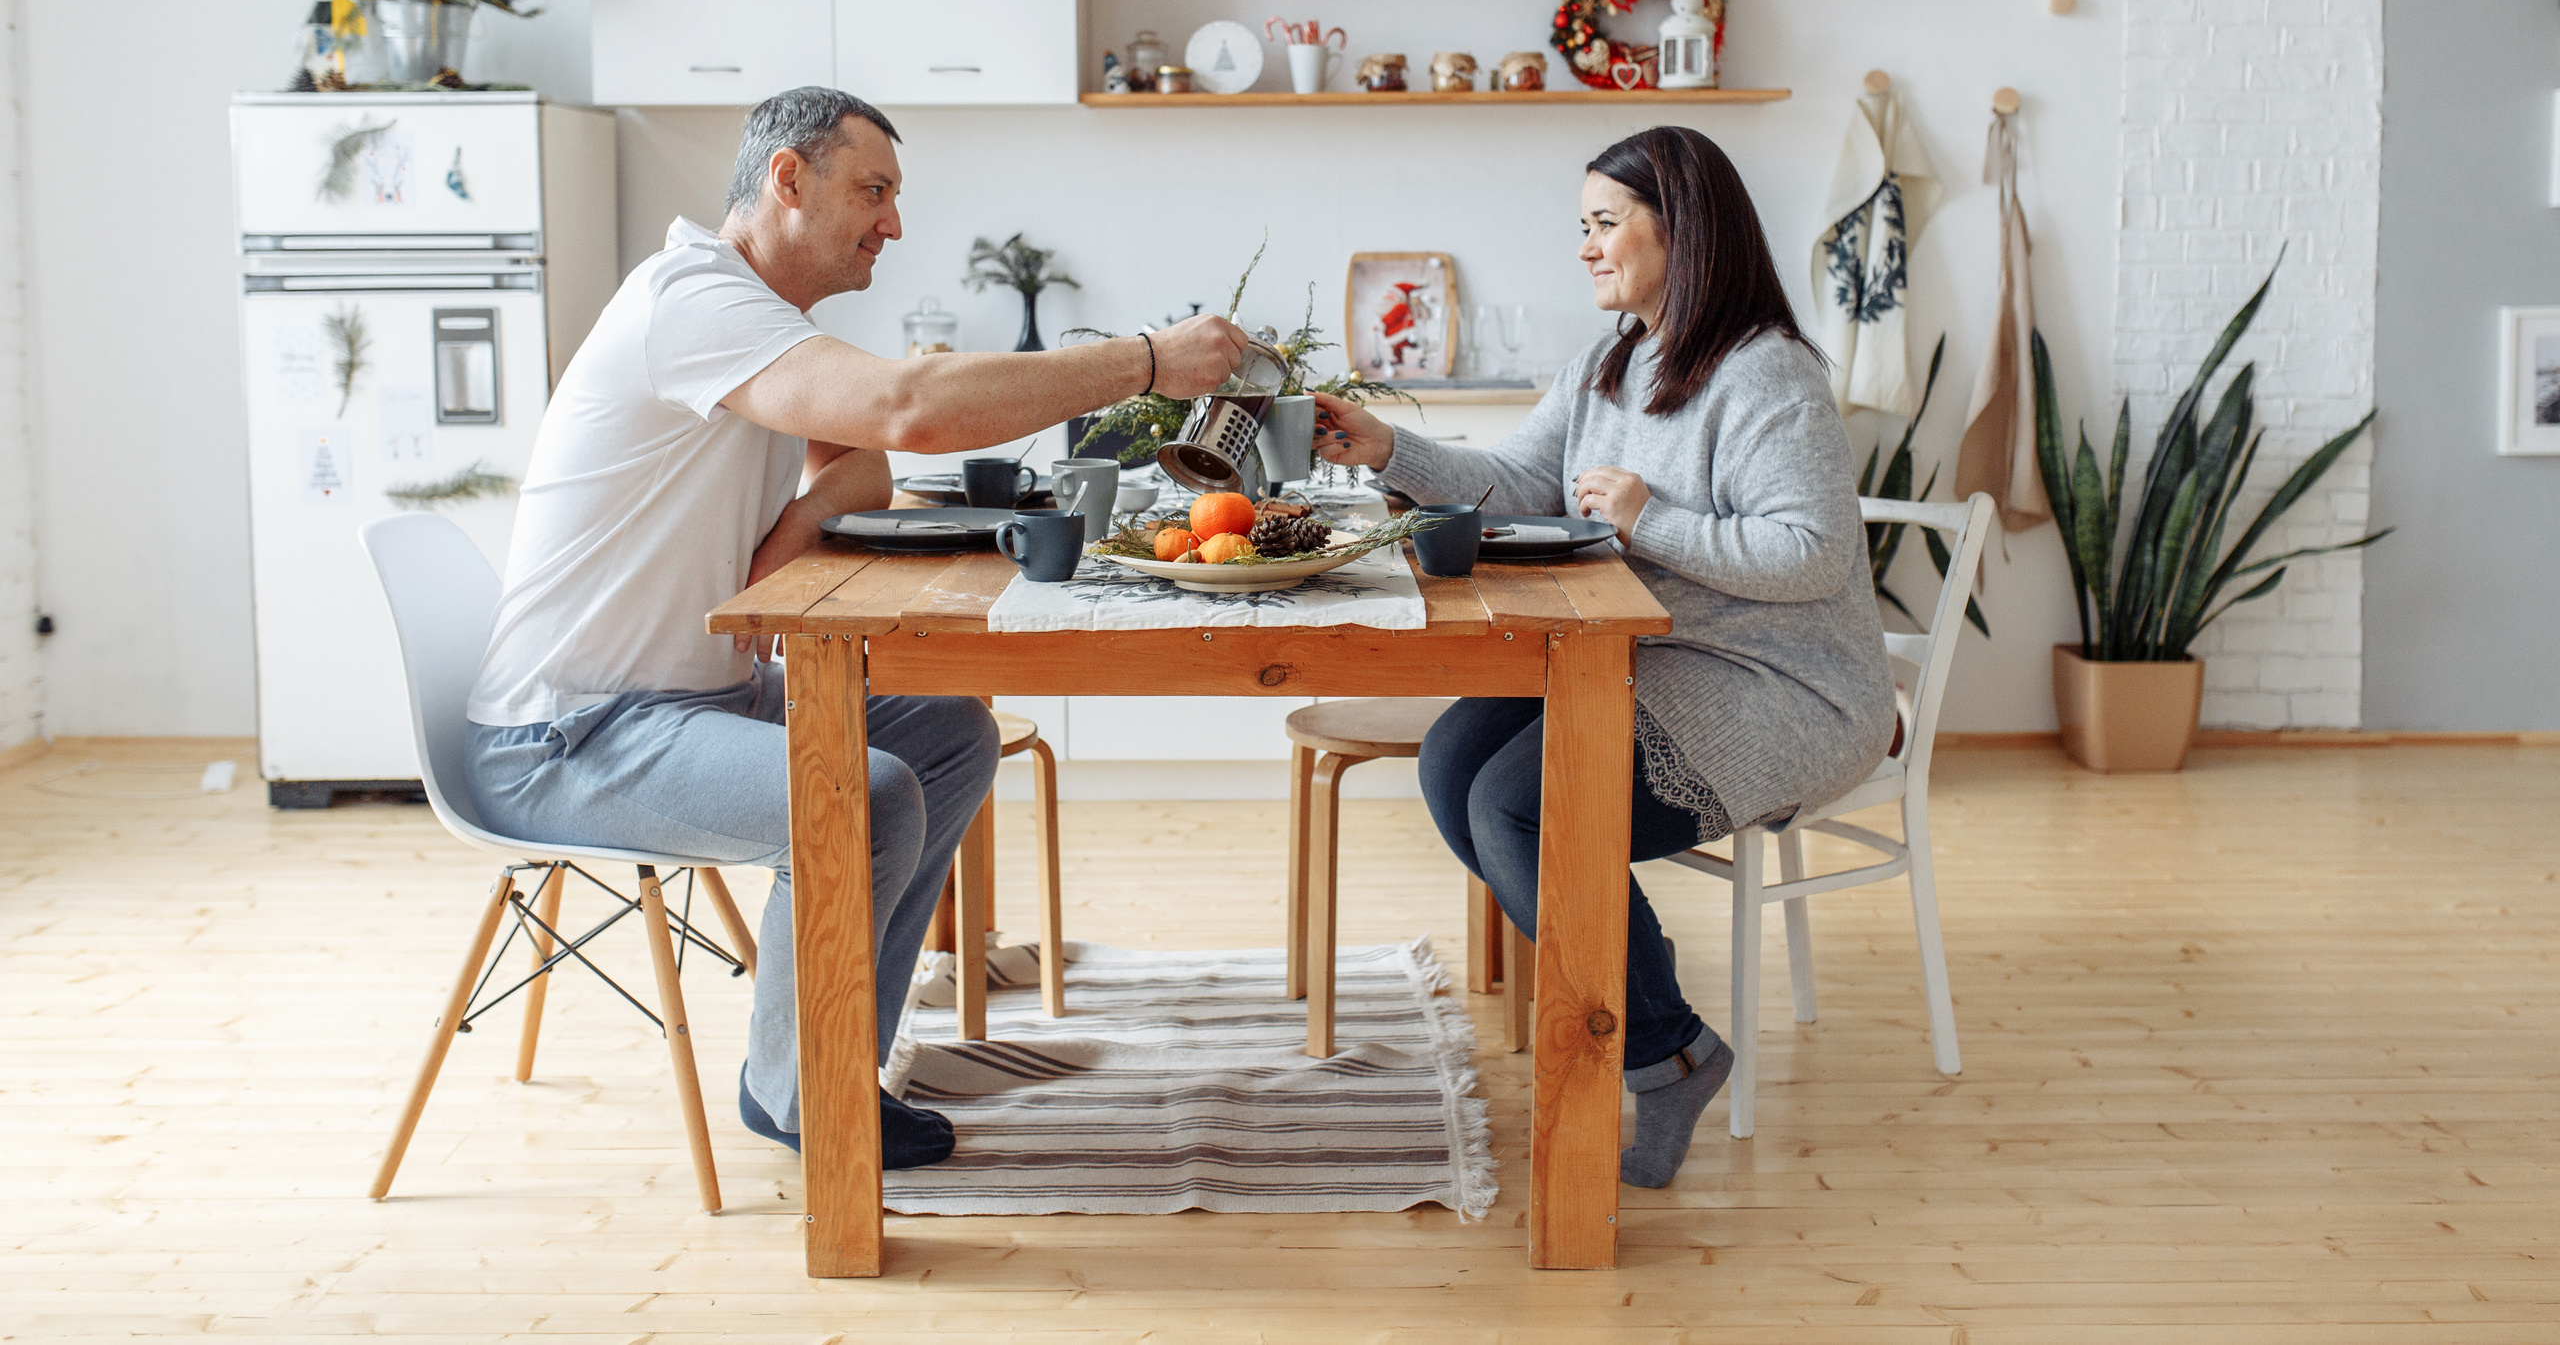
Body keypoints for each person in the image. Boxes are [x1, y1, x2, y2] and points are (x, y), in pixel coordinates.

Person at [463, 87, 1250, 1167]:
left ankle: (827, 1063)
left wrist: (795, 529)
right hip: (573, 735)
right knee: (866, 793)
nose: (893, 223)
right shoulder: (689, 301)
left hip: (689, 699)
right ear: (787, 180)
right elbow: (903, 413)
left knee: (949, 732)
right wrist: (1147, 360)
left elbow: (861, 457)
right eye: (873, 191)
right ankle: (810, 1098)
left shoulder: (754, 318)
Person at [1310, 124, 1895, 1189]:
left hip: (1780, 683)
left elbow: (1811, 556)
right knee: (1451, 764)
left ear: (1682, 230)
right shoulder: (1611, 361)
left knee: (1517, 807)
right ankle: (1642, 1005)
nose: (1583, 246)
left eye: (1603, 223)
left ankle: (1662, 1054)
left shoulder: (1767, 374)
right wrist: (1386, 446)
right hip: (1652, 653)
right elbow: (1519, 481)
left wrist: (1647, 517)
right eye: (1582, 224)